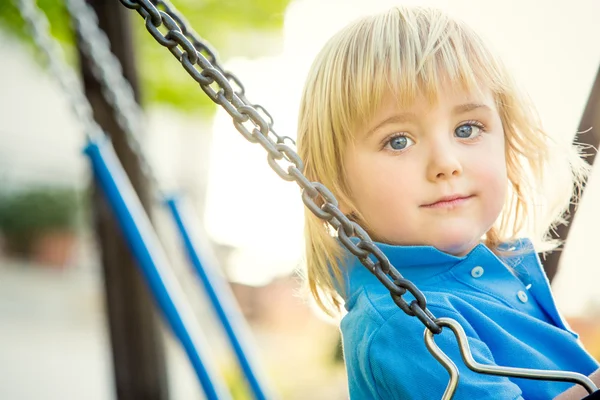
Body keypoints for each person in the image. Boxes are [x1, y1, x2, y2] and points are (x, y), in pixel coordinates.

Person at [296, 5, 600, 399]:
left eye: (467, 128)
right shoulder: (403, 323)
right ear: (336, 187)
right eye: (398, 141)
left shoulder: (495, 274)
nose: (446, 164)